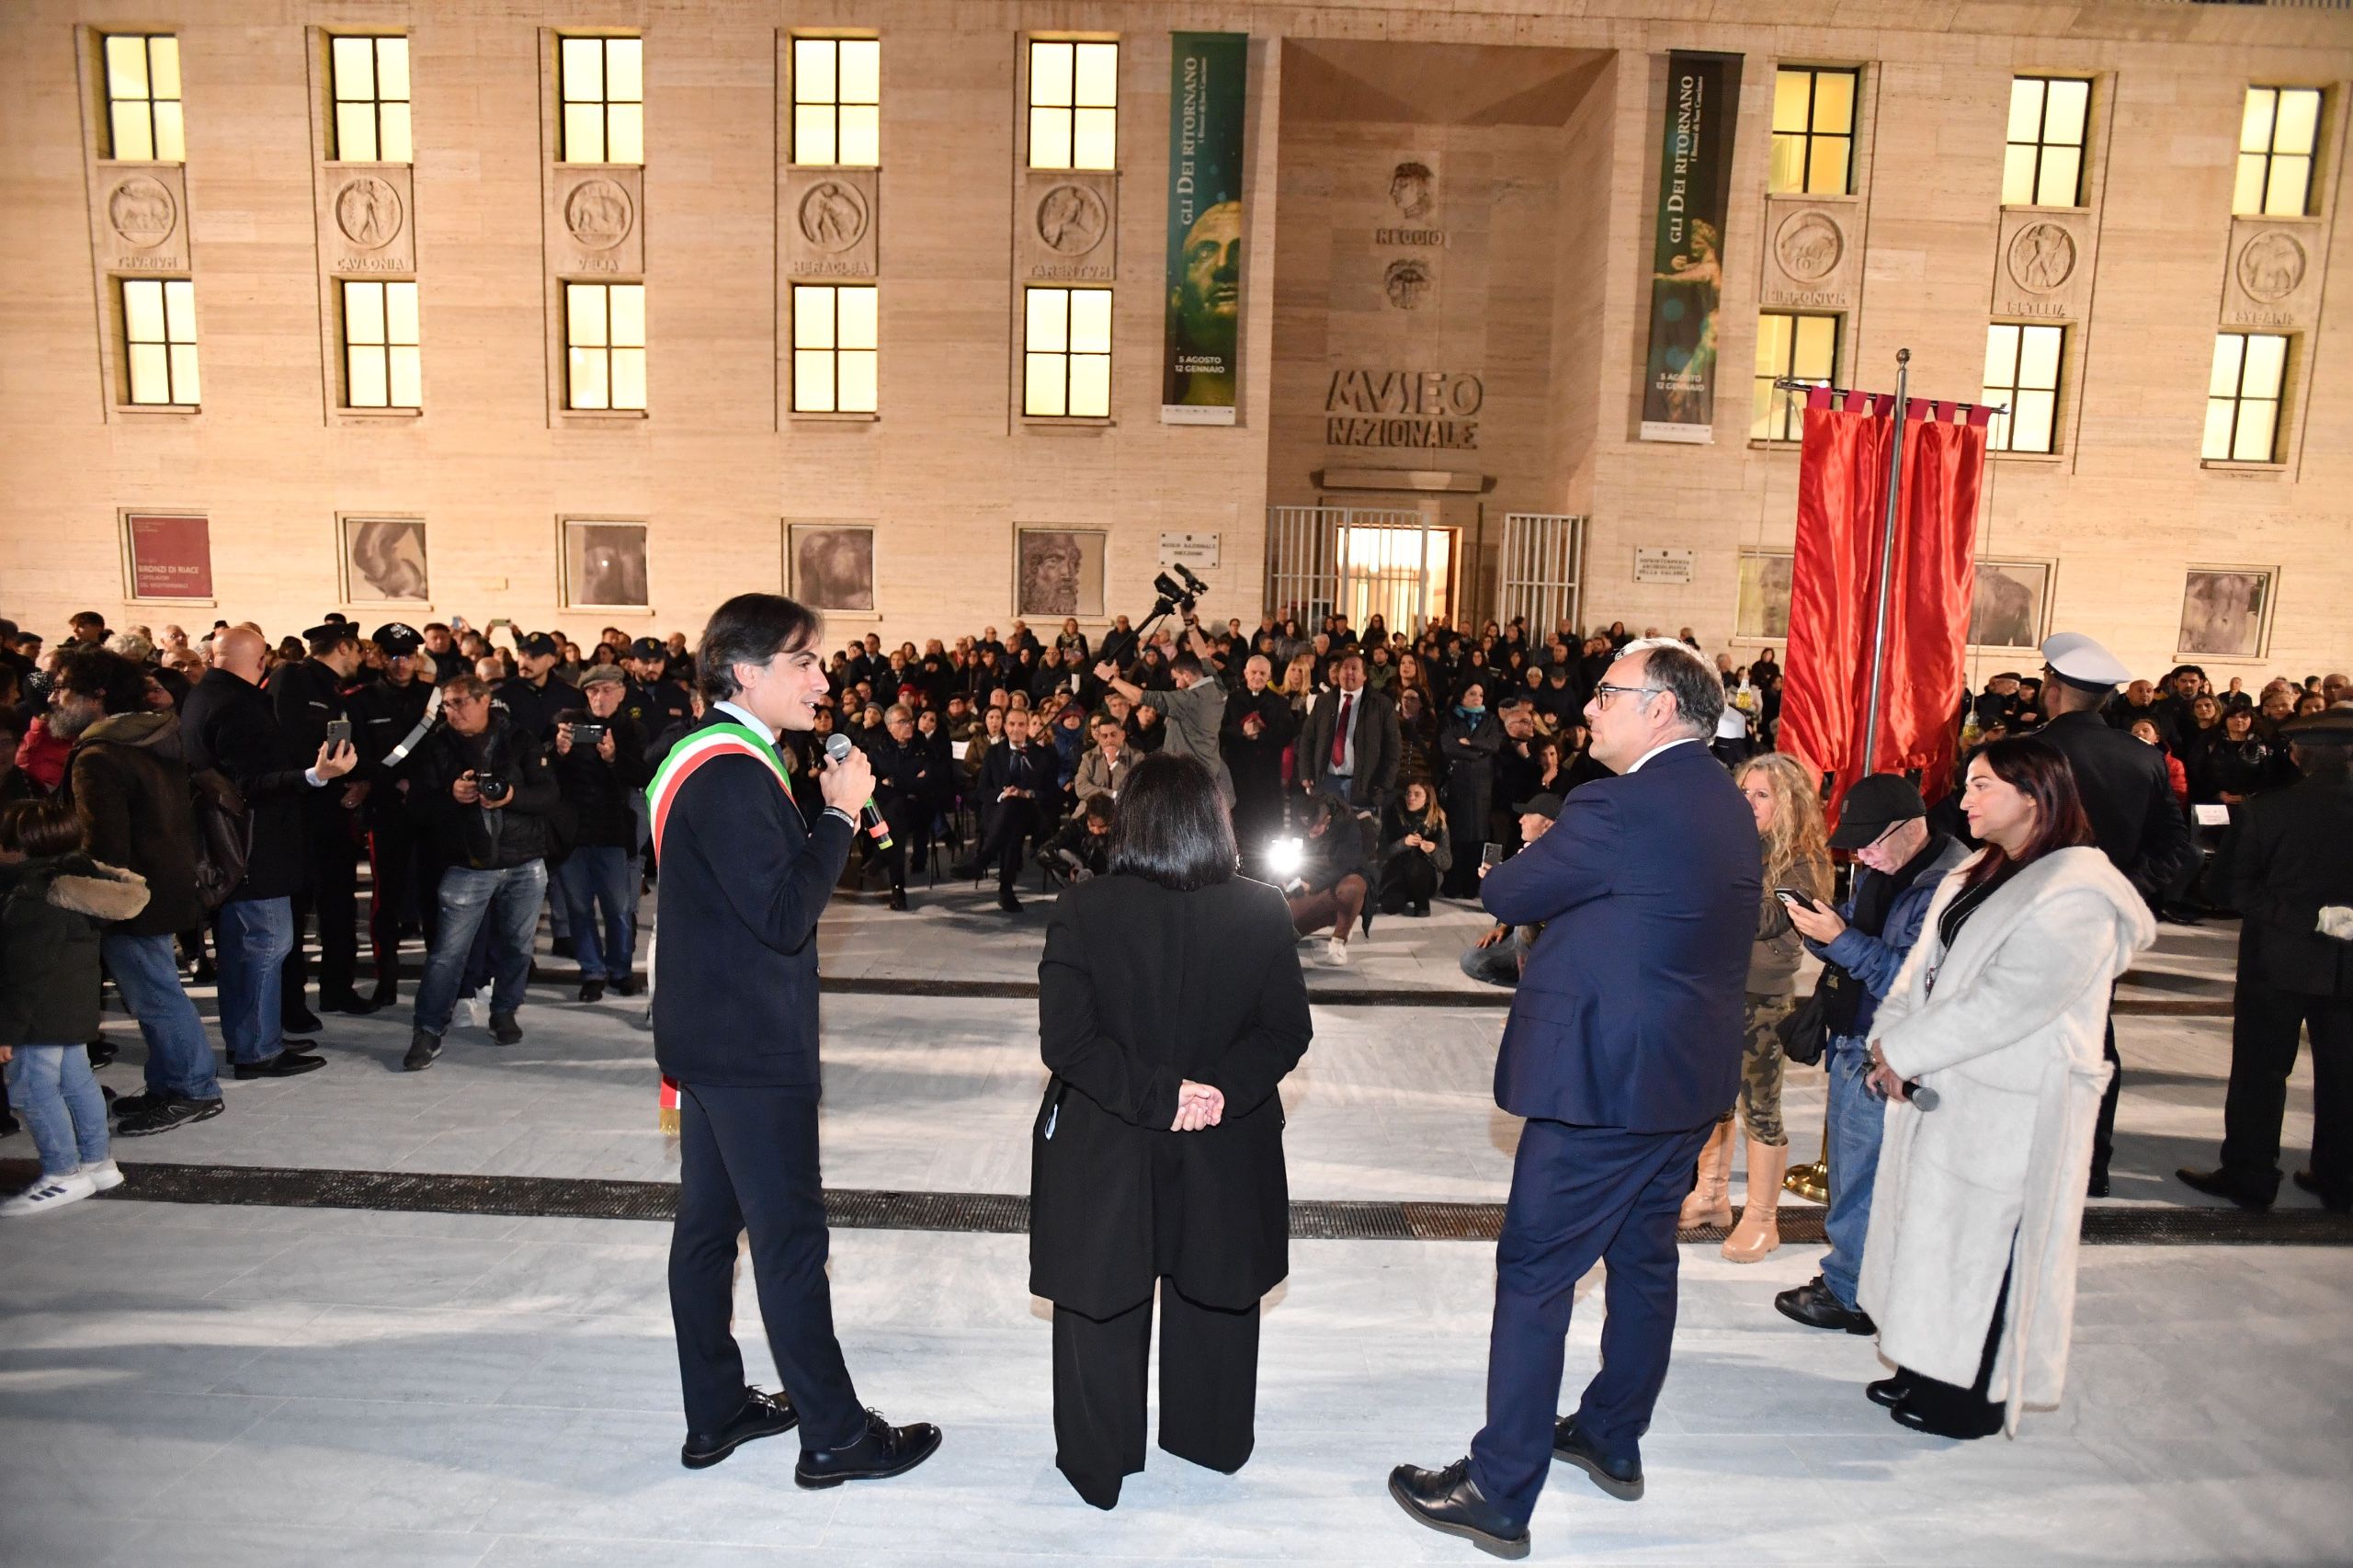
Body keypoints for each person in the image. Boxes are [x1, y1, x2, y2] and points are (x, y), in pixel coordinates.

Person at [1391, 638, 1757, 1557]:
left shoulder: (1615, 803)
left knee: (1533, 1273)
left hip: (1603, 1084)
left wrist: (1533, 851)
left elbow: (1505, 885)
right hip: (1682, 1077)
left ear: (1662, 709)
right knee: (1642, 1262)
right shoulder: (1722, 797)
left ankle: (1499, 1484)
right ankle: (1609, 1432)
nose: (1587, 710)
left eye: (1605, 694)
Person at [651, 593, 938, 1484]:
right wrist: (842, 815)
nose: (823, 677)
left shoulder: (712, 760)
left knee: (707, 1225)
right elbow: (783, 915)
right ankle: (835, 1433)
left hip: (709, 1035)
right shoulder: (733, 773)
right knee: (787, 1239)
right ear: (745, 671)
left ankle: (716, 1410)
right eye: (804, 660)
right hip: (749, 1048)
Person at [1029, 752, 1311, 1508]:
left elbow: (1069, 1042)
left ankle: (1100, 1458)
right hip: (1226, 1139)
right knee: (1217, 1292)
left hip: (1108, 1137)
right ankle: (1210, 1439)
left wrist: (1162, 1095)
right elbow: (1286, 1030)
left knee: (1101, 1299)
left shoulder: (1082, 907)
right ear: (1212, 822)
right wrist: (1215, 1093)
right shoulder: (1262, 907)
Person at [1859, 737, 2154, 1438]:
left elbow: (2012, 998)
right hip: (1949, 1079)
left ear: (2034, 794)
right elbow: (1921, 968)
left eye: (1982, 786)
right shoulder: (1978, 872)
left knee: (1985, 1245)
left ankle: (1970, 1397)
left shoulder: (2076, 890)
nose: (1965, 800)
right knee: (1931, 1232)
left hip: (2013, 1096)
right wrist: (1889, 1038)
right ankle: (1924, 1364)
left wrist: (1907, 1050)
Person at [1775, 774, 1970, 1335]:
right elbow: (1857, 928)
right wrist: (1818, 926)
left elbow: (1911, 982)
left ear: (1911, 828)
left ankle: (1849, 1293)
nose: (1860, 854)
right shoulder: (1893, 868)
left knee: (1862, 1178)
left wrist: (1838, 939)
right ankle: (1865, 1285)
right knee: (1861, 1174)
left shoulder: (1943, 886)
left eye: (1870, 841)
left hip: (1888, 1050)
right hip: (1857, 1037)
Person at [2032, 632, 2195, 1194]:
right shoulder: (2145, 758)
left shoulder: (2028, 754)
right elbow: (2177, 847)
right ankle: (2090, 1164)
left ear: (2053, 690)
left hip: (2032, 918)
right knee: (2094, 1036)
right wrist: (2122, 891)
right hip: (2101, 922)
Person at [2178, 710, 2353, 1212]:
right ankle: (2339, 1179)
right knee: (2344, 1076)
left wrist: (2307, 917)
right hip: (2347, 968)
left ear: (2298, 756)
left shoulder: (2267, 811)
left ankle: (2250, 1176)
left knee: (2260, 1072)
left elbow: (2225, 887)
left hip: (2276, 960)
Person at [50, 649, 225, 1138]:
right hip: (165, 885)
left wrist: (89, 895)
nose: (57, 699)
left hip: (129, 896)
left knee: (154, 996)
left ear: (98, 695)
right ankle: (168, 1083)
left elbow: (102, 845)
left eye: (66, 689)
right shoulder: (151, 736)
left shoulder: (100, 754)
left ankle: (195, 1090)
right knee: (155, 991)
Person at [180, 625, 355, 1081]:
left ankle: (256, 1037)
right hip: (254, 850)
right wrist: (315, 775)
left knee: (247, 952)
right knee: (262, 949)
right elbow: (251, 784)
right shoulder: (235, 706)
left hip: (236, 847)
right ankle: (257, 1049)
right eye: (265, 657)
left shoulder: (207, 695)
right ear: (256, 661)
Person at [1683, 754, 1832, 1263]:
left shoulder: (1803, 858)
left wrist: (1717, 879)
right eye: (1744, 791)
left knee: (1760, 1108)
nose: (1747, 802)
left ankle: (1764, 1220)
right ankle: (1711, 1196)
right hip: (1718, 988)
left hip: (1763, 999)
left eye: (1761, 795)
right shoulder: (1740, 845)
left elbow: (1768, 918)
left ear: (1788, 803)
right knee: (1714, 1099)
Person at [401, 676, 559, 1068]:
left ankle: (504, 1012)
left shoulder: (519, 739)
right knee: (447, 954)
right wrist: (450, 796)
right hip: (466, 865)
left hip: (523, 861)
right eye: (447, 705)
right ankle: (428, 1031)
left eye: (459, 703)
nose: (451, 712)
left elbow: (549, 794)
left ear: (484, 700)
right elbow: (415, 806)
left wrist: (510, 797)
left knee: (518, 947)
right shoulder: (436, 745)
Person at [0, 799, 141, 1216]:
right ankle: (97, 1163)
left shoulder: (33, 896)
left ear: (18, 847)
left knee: (33, 1090)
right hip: (72, 1009)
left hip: (39, 1018)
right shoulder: (78, 882)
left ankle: (62, 1174)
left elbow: (24, 974)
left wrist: (6, 1031)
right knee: (77, 1084)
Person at [271, 620, 378, 1022]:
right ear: (346, 648)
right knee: (295, 916)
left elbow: (351, 747)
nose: (362, 659)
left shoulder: (337, 690)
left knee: (337, 908)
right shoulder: (293, 680)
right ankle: (291, 1003)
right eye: (359, 650)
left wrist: (361, 782)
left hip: (336, 815)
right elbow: (286, 746)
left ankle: (337, 988)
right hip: (299, 816)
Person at [551, 665, 654, 998]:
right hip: (573, 832)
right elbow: (540, 769)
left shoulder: (632, 730)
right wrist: (559, 752)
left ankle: (620, 970)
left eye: (608, 690)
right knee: (579, 908)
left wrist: (612, 758)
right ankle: (592, 973)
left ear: (622, 692)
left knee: (619, 909)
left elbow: (641, 775)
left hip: (612, 831)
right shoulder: (566, 721)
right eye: (593, 691)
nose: (600, 697)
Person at [1095, 624, 1233, 808]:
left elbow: (1140, 696)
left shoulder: (1187, 700)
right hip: (1208, 771)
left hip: (1187, 778)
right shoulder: (1215, 686)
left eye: (1176, 678)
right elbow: (1202, 654)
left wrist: (1111, 678)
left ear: (1187, 675)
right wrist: (1190, 623)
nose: (1176, 684)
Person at [956, 705, 1052, 913]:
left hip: (1032, 814)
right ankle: (1005, 889)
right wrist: (1002, 795)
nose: (1016, 729)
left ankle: (983, 859)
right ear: (1005, 727)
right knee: (1011, 815)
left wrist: (1027, 794)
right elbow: (982, 791)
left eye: (1021, 724)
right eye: (1012, 724)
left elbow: (1051, 793)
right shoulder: (994, 753)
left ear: (1028, 727)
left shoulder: (1041, 755)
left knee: (1015, 809)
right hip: (999, 812)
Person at [1296, 653, 1401, 816]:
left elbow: (1393, 748)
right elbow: (1308, 739)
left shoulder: (1380, 705)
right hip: (1327, 781)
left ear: (1365, 675)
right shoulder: (1324, 702)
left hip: (1362, 785)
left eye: (1354, 668)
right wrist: (1306, 772)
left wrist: (1384, 784)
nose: (1348, 673)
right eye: (1344, 668)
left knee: (1357, 837)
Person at [867, 703, 942, 911]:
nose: (910, 725)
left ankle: (884, 858)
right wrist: (908, 782)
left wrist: (894, 781)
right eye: (903, 722)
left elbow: (928, 780)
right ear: (890, 726)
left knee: (893, 823)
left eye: (910, 720)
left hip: (920, 808)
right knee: (896, 820)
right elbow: (872, 785)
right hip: (891, 809)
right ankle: (897, 886)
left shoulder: (923, 746)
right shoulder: (878, 748)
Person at [1281, 790, 1370, 966]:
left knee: (1352, 889)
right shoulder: (1303, 821)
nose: (1311, 835)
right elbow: (1292, 854)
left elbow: (1344, 865)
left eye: (1315, 831)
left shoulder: (1348, 825)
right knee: (1285, 929)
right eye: (1307, 830)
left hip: (1343, 877)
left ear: (1328, 820)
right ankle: (1336, 916)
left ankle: (1339, 939)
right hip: (1310, 877)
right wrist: (1288, 877)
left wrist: (1313, 885)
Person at [1436, 682, 1500, 898]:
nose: (1477, 698)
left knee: (1478, 837)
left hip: (1482, 787)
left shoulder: (1489, 719)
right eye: (1472, 693)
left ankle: (1473, 886)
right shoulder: (1450, 718)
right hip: (1458, 784)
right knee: (1458, 837)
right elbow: (1448, 746)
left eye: (1480, 694)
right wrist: (1477, 751)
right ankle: (1453, 884)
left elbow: (1493, 745)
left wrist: (1468, 743)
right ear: (1461, 696)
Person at [1376, 778, 1450, 916]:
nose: (1411, 798)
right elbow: (1381, 854)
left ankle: (1422, 904)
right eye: (1408, 793)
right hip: (1397, 874)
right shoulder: (1393, 816)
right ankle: (1403, 896)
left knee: (1415, 865)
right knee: (1390, 906)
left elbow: (1447, 863)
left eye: (1417, 794)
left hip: (1425, 878)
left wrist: (1433, 850)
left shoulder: (1437, 820)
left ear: (1427, 798)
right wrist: (1403, 843)